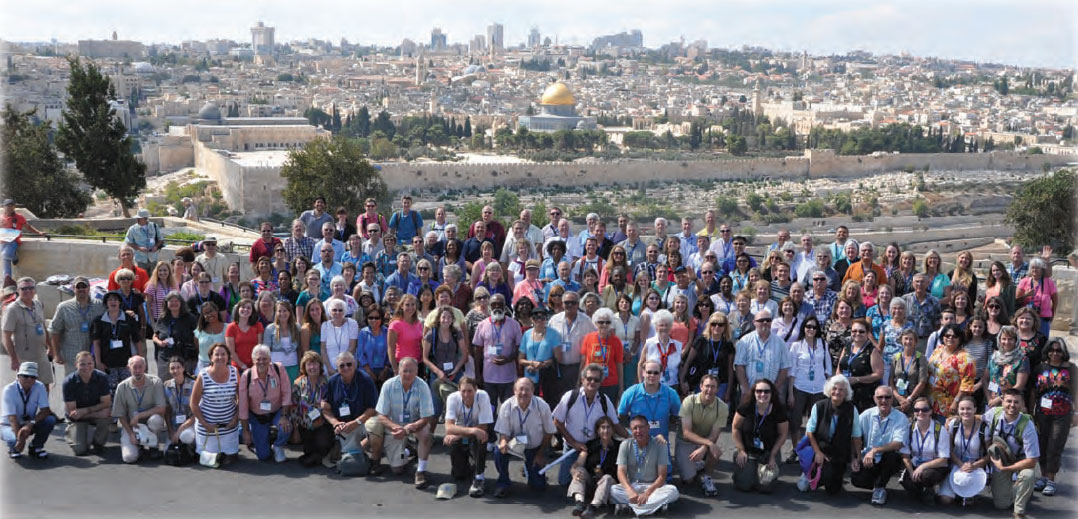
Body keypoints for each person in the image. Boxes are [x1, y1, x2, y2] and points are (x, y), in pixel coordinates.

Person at [492, 377, 556, 497]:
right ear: (514, 390)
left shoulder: (542, 406)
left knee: (538, 487)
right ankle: (503, 483)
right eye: (520, 389)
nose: (524, 393)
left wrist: (540, 454)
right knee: (498, 452)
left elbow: (549, 432)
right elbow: (504, 432)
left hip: (535, 447)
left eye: (527, 389)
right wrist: (503, 442)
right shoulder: (507, 406)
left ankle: (530, 469)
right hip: (514, 444)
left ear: (533, 391)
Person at [984, 388, 1040, 518]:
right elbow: (977, 418)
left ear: (1022, 404)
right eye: (1009, 401)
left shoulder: (1027, 425)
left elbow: (1032, 460)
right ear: (1002, 401)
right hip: (1002, 461)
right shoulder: (994, 414)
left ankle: (1019, 511)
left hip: (1021, 463)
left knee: (1028, 475)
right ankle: (1022, 489)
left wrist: (1005, 468)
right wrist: (952, 419)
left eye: (1016, 402)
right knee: (1001, 505)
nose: (1012, 405)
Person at [803, 374, 863, 495]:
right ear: (829, 390)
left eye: (841, 389)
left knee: (833, 490)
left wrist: (856, 458)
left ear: (846, 393)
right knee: (824, 476)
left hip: (839, 453)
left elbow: (856, 436)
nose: (837, 392)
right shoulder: (819, 406)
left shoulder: (852, 409)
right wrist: (818, 452)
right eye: (834, 388)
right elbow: (809, 432)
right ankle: (809, 473)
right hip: (820, 449)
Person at [1030, 339, 1076, 496]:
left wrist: (1076, 414)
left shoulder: (1071, 369)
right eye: (1052, 350)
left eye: (1058, 351)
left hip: (1063, 414)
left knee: (1054, 445)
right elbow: (1033, 393)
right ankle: (1043, 477)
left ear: (1064, 353)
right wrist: (1031, 413)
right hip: (1042, 413)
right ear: (1047, 351)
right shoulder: (1040, 368)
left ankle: (1051, 480)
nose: (1055, 353)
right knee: (1042, 445)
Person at [849, 385, 908, 505]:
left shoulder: (901, 418)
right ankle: (877, 481)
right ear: (874, 399)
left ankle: (880, 487)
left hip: (888, 458)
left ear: (892, 399)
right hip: (869, 459)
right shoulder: (867, 414)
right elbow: (854, 436)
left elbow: (898, 444)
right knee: (857, 480)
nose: (884, 400)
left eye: (887, 397)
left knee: (892, 456)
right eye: (880, 397)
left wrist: (875, 450)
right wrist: (854, 458)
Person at [612, 415, 681, 516]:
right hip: (633, 486)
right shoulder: (625, 444)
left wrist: (647, 493)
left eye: (641, 427)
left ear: (648, 428)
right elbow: (621, 471)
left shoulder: (660, 444)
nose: (638, 431)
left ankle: (633, 507)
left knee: (672, 491)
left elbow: (662, 476)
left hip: (654, 487)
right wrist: (629, 490)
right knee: (613, 490)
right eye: (635, 428)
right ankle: (654, 507)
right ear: (631, 430)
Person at [786, 315, 832, 461]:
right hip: (800, 387)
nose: (811, 329)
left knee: (814, 422)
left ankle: (810, 449)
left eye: (814, 327)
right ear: (803, 328)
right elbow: (792, 371)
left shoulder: (823, 344)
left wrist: (829, 390)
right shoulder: (796, 345)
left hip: (818, 388)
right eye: (808, 327)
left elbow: (828, 369)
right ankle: (796, 449)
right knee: (795, 421)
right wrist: (790, 393)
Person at [675, 374, 729, 496]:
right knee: (688, 480)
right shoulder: (689, 401)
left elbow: (714, 435)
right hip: (686, 441)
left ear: (718, 389)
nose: (709, 390)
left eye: (713, 387)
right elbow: (686, 433)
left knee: (715, 452)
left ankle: (707, 477)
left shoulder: (723, 407)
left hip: (705, 441)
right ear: (700, 386)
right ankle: (697, 466)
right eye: (707, 386)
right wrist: (709, 443)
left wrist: (705, 448)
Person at [732, 378, 788, 493]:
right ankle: (745, 472)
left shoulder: (779, 410)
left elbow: (783, 435)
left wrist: (773, 455)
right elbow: (735, 428)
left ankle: (759, 474)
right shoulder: (746, 407)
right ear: (754, 393)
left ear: (772, 393)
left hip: (768, 452)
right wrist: (741, 449)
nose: (763, 394)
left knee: (765, 488)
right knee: (744, 486)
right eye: (759, 391)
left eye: (767, 391)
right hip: (748, 451)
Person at [239, 345, 293, 462]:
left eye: (265, 359)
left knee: (286, 427)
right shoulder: (246, 376)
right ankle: (252, 435)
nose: (261, 362)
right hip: (257, 416)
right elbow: (243, 406)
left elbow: (286, 393)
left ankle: (278, 445)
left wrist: (284, 416)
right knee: (263, 456)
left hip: (276, 412)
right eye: (258, 359)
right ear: (253, 360)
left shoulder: (279, 369)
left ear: (270, 359)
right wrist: (245, 431)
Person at [444, 376, 494, 497]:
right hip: (465, 431)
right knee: (459, 475)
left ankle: (479, 478)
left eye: (470, 391)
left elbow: (483, 426)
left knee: (481, 437)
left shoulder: (483, 396)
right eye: (463, 391)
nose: (466, 394)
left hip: (478, 430)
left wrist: (460, 434)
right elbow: (448, 427)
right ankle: (469, 463)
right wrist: (466, 433)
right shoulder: (452, 398)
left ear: (476, 389)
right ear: (459, 390)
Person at [190, 343, 240, 464]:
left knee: (229, 461)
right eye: (216, 354)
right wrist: (205, 424)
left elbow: (241, 399)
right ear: (211, 357)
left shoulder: (234, 372)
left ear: (228, 357)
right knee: (210, 460)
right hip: (208, 428)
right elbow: (194, 404)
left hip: (228, 427)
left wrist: (236, 418)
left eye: (223, 354)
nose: (220, 357)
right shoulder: (203, 375)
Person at [112, 356, 167, 463]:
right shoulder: (122, 387)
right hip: (132, 426)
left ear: (145, 367)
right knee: (129, 458)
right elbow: (120, 415)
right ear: (128, 368)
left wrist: (139, 416)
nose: (137, 371)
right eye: (134, 367)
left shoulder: (156, 382)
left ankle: (153, 446)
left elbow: (162, 408)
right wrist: (131, 434)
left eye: (140, 367)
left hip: (149, 422)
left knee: (156, 420)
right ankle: (138, 446)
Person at [3, 277, 55, 387]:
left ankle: (44, 405)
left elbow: (43, 326)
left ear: (35, 290)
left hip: (41, 355)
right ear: (18, 290)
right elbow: (6, 337)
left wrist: (50, 347)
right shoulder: (12, 309)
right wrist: (14, 359)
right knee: (27, 390)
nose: (28, 291)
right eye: (24, 288)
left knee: (45, 387)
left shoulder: (38, 304)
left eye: (31, 288)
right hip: (24, 358)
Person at [899, 396, 951, 505]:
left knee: (926, 476)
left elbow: (944, 459)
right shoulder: (909, 428)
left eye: (925, 410)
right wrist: (911, 471)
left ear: (931, 411)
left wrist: (922, 467)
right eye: (917, 410)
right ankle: (921, 490)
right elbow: (905, 456)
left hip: (935, 466)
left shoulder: (939, 430)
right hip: (915, 465)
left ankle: (929, 488)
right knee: (908, 483)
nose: (920, 412)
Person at [938, 396, 990, 506]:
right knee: (945, 500)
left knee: (969, 500)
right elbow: (949, 449)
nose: (965, 412)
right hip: (956, 464)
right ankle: (957, 493)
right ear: (958, 410)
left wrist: (974, 466)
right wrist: (960, 464)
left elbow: (989, 454)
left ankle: (966, 494)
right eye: (962, 409)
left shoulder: (984, 428)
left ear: (975, 410)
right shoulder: (954, 424)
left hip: (975, 467)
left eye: (969, 409)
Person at [567, 415, 622, 516]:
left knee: (607, 477)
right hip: (592, 482)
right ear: (597, 430)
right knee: (579, 470)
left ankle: (593, 506)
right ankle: (579, 503)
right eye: (603, 427)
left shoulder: (620, 446)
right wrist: (574, 471)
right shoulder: (590, 444)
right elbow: (578, 463)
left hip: (610, 485)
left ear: (613, 430)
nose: (605, 431)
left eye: (608, 427)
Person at [48, 276, 103, 375]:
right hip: (72, 356)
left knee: (94, 385)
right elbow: (55, 331)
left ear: (89, 288)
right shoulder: (63, 307)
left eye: (84, 286)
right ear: (73, 289)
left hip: (94, 354)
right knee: (74, 385)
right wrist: (56, 354)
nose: (81, 289)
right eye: (78, 287)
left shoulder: (100, 305)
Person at [735, 309, 792, 404]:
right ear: (754, 322)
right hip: (750, 392)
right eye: (761, 320)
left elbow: (784, 368)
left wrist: (774, 389)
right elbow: (739, 366)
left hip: (771, 393)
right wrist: (746, 389)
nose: (765, 322)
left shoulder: (780, 343)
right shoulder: (744, 341)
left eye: (768, 320)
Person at [422, 306, 469, 421]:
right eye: (444, 317)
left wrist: (456, 370)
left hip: (455, 374)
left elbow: (464, 354)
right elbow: (425, 358)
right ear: (438, 319)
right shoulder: (431, 334)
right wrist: (438, 372)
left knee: (461, 406)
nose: (446, 320)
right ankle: (430, 436)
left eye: (449, 317)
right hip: (437, 375)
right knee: (435, 409)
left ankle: (459, 435)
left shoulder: (456, 333)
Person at [2, 362, 56, 459]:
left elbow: (45, 410)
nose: (29, 379)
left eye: (33, 377)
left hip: (27, 422)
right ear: (18, 376)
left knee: (50, 420)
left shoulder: (40, 386)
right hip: (8, 424)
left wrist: (30, 424)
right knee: (13, 439)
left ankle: (35, 447)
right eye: (25, 376)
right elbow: (12, 417)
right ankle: (14, 448)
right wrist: (20, 439)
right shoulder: (9, 390)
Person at [61, 351, 112, 455]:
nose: (86, 367)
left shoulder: (102, 377)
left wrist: (85, 411)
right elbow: (73, 413)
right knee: (80, 450)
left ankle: (97, 442)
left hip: (87, 413)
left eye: (90, 363)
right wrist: (96, 413)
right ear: (76, 365)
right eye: (82, 364)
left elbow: (106, 403)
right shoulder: (68, 382)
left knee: (106, 414)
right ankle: (72, 431)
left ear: (94, 363)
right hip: (78, 419)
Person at [290, 351, 333, 467]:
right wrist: (295, 431)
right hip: (304, 425)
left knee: (322, 444)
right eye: (309, 364)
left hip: (322, 424)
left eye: (315, 364)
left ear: (320, 365)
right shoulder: (298, 383)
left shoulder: (327, 383)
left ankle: (318, 456)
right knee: (309, 451)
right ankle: (316, 457)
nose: (312, 367)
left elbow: (333, 405)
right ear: (304, 366)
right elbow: (293, 409)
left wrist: (328, 406)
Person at [928, 323, 976, 418]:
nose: (950, 338)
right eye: (947, 335)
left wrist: (956, 402)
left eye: (954, 336)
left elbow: (966, 385)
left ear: (960, 338)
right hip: (930, 400)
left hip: (948, 405)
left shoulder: (965, 358)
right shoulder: (938, 350)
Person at [838, 319, 883, 412]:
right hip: (845, 392)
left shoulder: (872, 350)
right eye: (854, 331)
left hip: (864, 395)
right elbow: (840, 367)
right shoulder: (847, 347)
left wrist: (857, 379)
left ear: (867, 334)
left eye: (861, 331)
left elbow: (878, 374)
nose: (857, 333)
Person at [151, 291, 197, 378]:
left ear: (181, 302)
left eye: (176, 301)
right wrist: (159, 342)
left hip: (184, 357)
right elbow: (155, 336)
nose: (174, 303)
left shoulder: (190, 318)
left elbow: (196, 337)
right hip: (165, 357)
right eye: (171, 301)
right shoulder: (162, 318)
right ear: (166, 303)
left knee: (185, 384)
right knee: (166, 385)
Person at [0, 199, 46, 283]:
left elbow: (28, 227)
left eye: (11, 205)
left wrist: (39, 232)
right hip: (2, 242)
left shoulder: (19, 217)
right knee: (4, 258)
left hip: (13, 241)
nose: (9, 207)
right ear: (3, 207)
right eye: (7, 205)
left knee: (5, 257)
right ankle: (14, 256)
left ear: (14, 207)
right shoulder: (1, 217)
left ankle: (7, 280)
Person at [985, 325, 1029, 409]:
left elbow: (1019, 386)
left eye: (1010, 339)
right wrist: (988, 398)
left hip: (1010, 404)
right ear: (999, 340)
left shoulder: (1022, 359)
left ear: (1016, 341)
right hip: (990, 401)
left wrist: (999, 399)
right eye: (1004, 339)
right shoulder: (993, 357)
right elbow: (985, 379)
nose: (1007, 342)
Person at [638, 309, 682, 389]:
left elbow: (680, 368)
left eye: (667, 325)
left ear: (671, 326)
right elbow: (641, 364)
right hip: (652, 385)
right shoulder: (649, 343)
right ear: (656, 327)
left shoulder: (678, 345)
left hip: (672, 386)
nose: (664, 328)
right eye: (661, 325)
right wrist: (641, 383)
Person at [162, 356, 196, 452]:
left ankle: (191, 448)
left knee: (186, 436)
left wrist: (180, 430)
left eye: (178, 367)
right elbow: (167, 411)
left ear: (183, 368)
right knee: (167, 452)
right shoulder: (166, 386)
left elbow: (197, 413)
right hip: (174, 425)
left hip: (189, 424)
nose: (175, 370)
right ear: (169, 370)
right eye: (172, 368)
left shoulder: (193, 384)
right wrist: (170, 431)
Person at [891, 329, 928, 414]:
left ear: (915, 341)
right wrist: (899, 398)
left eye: (911, 339)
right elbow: (891, 381)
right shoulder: (896, 357)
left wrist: (909, 399)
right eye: (906, 338)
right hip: (898, 400)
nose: (908, 341)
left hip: (914, 400)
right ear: (901, 340)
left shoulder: (920, 358)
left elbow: (922, 382)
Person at [263, 301, 301, 382]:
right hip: (275, 367)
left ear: (289, 312)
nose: (282, 313)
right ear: (275, 313)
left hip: (293, 366)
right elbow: (266, 351)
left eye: (285, 311)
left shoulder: (296, 327)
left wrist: (300, 367)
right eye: (279, 311)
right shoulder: (270, 328)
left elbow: (299, 349)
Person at [320, 299, 359, 378]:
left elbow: (352, 347)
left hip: (347, 367)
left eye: (340, 310)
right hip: (330, 369)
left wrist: (342, 367)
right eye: (334, 310)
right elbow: (323, 349)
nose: (337, 312)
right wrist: (329, 368)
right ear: (330, 311)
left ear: (344, 311)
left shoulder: (352, 323)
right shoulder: (325, 325)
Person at [225, 299, 264, 371]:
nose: (245, 309)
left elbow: (259, 348)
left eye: (249, 308)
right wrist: (242, 366)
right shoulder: (231, 327)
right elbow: (231, 352)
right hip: (237, 368)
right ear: (238, 309)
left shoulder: (258, 326)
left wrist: (254, 365)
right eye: (243, 307)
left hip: (255, 366)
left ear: (252, 311)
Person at [124, 209, 165, 273]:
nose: (137, 220)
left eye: (140, 218)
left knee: (153, 279)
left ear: (146, 219)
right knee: (141, 278)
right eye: (137, 218)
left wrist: (156, 246)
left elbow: (160, 239)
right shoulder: (132, 229)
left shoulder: (154, 226)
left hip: (153, 258)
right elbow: (128, 242)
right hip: (140, 259)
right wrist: (139, 248)